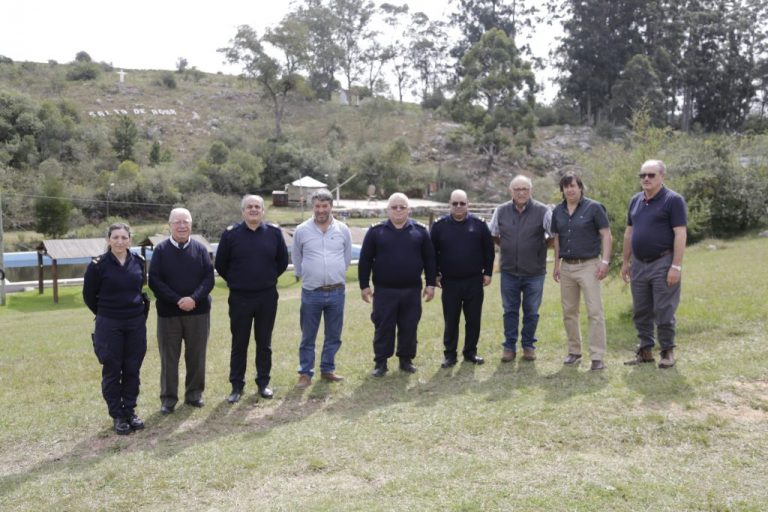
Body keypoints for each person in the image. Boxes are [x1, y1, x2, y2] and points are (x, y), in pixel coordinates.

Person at [215, 195, 289, 402]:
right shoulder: (231, 235)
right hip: (240, 297)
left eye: (258, 206)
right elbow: (221, 264)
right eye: (250, 207)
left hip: (266, 296)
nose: (254, 210)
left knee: (264, 342)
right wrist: (237, 281)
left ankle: (263, 383)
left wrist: (267, 278)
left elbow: (282, 261)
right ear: (243, 212)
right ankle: (236, 386)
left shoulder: (273, 233)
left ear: (263, 211)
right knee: (239, 343)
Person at [358, 192, 437, 376]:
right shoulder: (376, 231)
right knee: (383, 327)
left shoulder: (420, 231)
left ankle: (406, 360)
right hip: (385, 291)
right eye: (395, 207)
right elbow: (365, 260)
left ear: (409, 209)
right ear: (388, 209)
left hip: (412, 290)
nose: (399, 210)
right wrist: (364, 285)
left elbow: (430, 260)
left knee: (409, 326)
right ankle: (381, 363)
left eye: (403, 207)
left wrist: (431, 284)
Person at [83, 223, 148, 435]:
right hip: (109, 324)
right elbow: (89, 296)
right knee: (112, 369)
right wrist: (107, 312)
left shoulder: (138, 262)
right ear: (108, 240)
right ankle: (117, 416)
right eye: (115, 237)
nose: (120, 241)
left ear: (130, 239)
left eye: (124, 237)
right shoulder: (98, 265)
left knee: (132, 368)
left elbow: (139, 289)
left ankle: (129, 411)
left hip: (135, 323)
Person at [621, 160, 687, 368]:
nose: (646, 179)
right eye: (643, 175)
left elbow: (680, 233)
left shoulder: (673, 200)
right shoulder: (635, 201)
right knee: (641, 309)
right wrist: (625, 262)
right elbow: (629, 233)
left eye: (651, 175)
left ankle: (667, 351)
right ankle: (646, 350)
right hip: (639, 263)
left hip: (663, 261)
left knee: (664, 309)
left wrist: (675, 266)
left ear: (662, 177)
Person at [148, 208, 214, 414]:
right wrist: (178, 300)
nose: (182, 226)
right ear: (169, 225)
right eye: (177, 222)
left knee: (196, 355)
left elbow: (208, 279)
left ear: (191, 225)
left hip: (198, 312)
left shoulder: (201, 249)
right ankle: (168, 398)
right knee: (169, 357)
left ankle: (194, 395)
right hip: (169, 314)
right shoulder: (160, 251)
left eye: (185, 222)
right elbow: (155, 281)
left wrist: (193, 299)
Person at [551, 172, 612, 371]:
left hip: (589, 265)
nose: (569, 189)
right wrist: (556, 265)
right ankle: (574, 351)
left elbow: (606, 235)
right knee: (569, 311)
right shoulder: (558, 211)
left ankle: (597, 356)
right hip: (567, 267)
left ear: (580, 188)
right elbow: (557, 238)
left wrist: (604, 261)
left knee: (594, 311)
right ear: (562, 190)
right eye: (566, 186)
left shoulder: (594, 207)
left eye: (573, 186)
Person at [292, 189, 353, 388]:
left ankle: (328, 369)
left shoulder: (342, 229)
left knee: (334, 334)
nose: (321, 210)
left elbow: (345, 258)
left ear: (331, 207)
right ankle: (305, 373)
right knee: (308, 335)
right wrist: (308, 275)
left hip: (336, 291)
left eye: (325, 206)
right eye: (317, 206)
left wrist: (335, 274)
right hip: (312, 292)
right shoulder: (302, 230)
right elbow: (297, 258)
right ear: (313, 207)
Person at [489, 175, 552, 362]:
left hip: (535, 272)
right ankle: (509, 347)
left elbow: (553, 236)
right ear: (511, 192)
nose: (521, 192)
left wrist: (538, 249)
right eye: (517, 189)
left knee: (532, 311)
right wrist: (507, 245)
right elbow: (493, 234)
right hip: (509, 271)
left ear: (530, 190)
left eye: (525, 189)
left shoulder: (543, 211)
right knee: (509, 310)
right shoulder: (500, 211)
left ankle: (528, 346)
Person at [430, 189, 495, 368]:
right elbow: (431, 254)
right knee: (451, 320)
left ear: (468, 204)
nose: (459, 207)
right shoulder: (439, 225)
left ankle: (470, 352)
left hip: (474, 280)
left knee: (473, 319)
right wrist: (434, 275)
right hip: (449, 282)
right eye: (455, 203)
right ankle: (450, 355)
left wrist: (488, 272)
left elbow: (489, 251)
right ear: (449, 204)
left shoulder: (479, 225)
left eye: (462, 203)